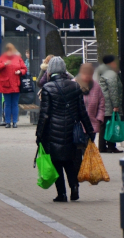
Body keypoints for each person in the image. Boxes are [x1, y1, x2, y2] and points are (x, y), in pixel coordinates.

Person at [36, 57, 92, 202]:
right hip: (72, 131)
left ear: (50, 71)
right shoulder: (75, 86)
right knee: (71, 162)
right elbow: (82, 112)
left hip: (53, 132)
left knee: (56, 163)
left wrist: (39, 134)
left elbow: (44, 114)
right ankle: (74, 188)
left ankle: (61, 194)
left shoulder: (48, 88)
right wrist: (90, 131)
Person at [0, 43, 27, 127]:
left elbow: (24, 68)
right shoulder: (2, 58)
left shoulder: (18, 58)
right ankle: (8, 122)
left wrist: (20, 72)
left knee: (14, 104)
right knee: (8, 104)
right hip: (6, 84)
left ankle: (14, 122)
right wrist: (4, 64)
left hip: (15, 84)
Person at [96, 55, 123, 153]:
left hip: (104, 103)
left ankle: (103, 147)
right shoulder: (110, 74)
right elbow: (113, 90)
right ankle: (111, 146)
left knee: (105, 125)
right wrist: (116, 105)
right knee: (110, 125)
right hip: (109, 105)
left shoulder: (103, 72)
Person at [77, 62, 105, 146]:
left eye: (89, 74)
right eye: (85, 74)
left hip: (92, 123)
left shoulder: (96, 86)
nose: (87, 76)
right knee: (79, 149)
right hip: (78, 125)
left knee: (89, 149)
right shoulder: (74, 84)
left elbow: (101, 103)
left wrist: (99, 118)